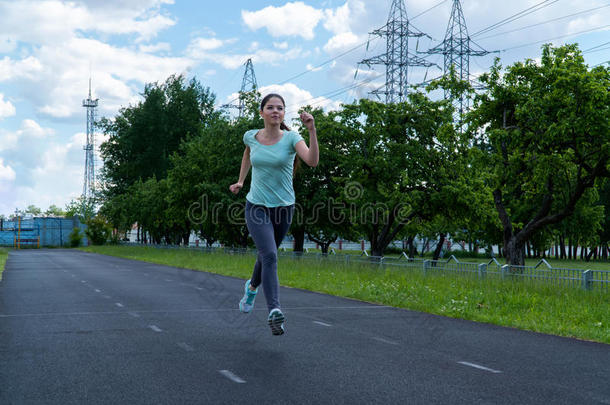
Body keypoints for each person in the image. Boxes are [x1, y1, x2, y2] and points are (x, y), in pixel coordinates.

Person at [229, 93, 319, 335]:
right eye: (270, 107)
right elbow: (248, 154)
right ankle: (274, 311)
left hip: (284, 208)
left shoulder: (292, 138)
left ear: (283, 113)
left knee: (266, 256)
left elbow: (311, 161)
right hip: (256, 206)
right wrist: (240, 181)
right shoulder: (251, 136)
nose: (275, 111)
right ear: (262, 112)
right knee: (269, 254)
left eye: (280, 108)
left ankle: (252, 287)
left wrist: (312, 131)